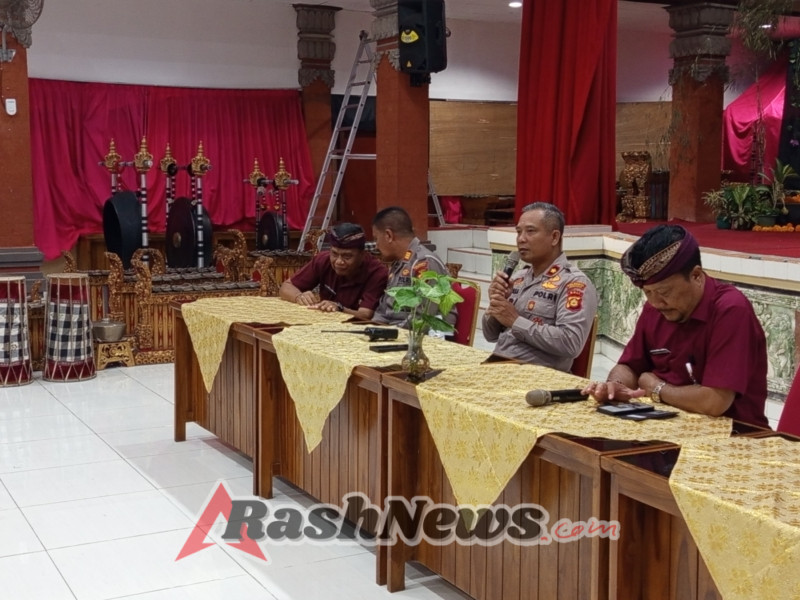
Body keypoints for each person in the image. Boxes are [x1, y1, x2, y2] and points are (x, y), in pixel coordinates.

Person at [582, 224, 769, 428]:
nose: (655, 303)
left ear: (696, 276)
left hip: (734, 436)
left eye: (664, 292)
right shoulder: (657, 308)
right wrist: (616, 386)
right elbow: (630, 366)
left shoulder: (731, 309)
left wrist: (657, 388)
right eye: (648, 293)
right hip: (667, 427)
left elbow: (714, 402)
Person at [481, 202, 598, 372]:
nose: (521, 239)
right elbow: (490, 335)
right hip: (499, 365)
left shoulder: (573, 283)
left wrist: (515, 321)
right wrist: (496, 304)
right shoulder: (518, 278)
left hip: (538, 376)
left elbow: (571, 343)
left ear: (554, 237)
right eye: (519, 232)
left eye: (530, 231)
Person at [279, 222, 388, 320]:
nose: (339, 262)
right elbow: (286, 286)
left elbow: (365, 315)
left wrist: (339, 308)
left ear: (362, 255)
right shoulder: (323, 260)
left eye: (347, 256)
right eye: (334, 254)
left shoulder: (377, 273)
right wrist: (299, 296)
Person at [371, 206, 454, 327]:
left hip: (421, 337)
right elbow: (384, 310)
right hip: (395, 332)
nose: (376, 246)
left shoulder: (424, 262)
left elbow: (423, 319)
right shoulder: (397, 262)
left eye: (376, 239)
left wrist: (389, 332)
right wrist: (373, 327)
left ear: (389, 235)